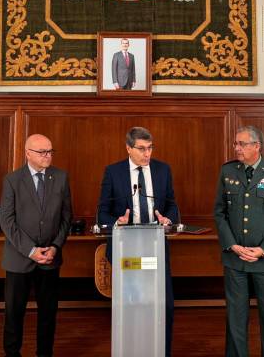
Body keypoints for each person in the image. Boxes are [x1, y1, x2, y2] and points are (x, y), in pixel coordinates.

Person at [98, 126, 179, 357]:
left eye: (150, 148)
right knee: (132, 307)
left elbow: (172, 203)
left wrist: (167, 218)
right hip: (126, 250)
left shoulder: (163, 170)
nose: (147, 154)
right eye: (142, 149)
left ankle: (160, 352)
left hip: (155, 248)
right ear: (128, 148)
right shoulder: (114, 172)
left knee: (163, 307)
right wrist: (118, 222)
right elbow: (101, 212)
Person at [213, 125, 264, 357]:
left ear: (257, 146)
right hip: (235, 259)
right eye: (236, 143)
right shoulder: (228, 171)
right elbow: (219, 213)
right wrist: (233, 245)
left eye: (242, 144)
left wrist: (263, 249)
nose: (237, 148)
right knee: (235, 319)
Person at [0, 134, 73, 357]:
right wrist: (31, 251)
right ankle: (12, 354)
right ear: (28, 153)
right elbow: (7, 221)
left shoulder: (60, 177)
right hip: (19, 259)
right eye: (42, 152)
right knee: (14, 313)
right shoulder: (12, 180)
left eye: (50, 151)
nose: (48, 156)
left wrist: (55, 246)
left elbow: (67, 217)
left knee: (48, 313)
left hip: (50, 258)